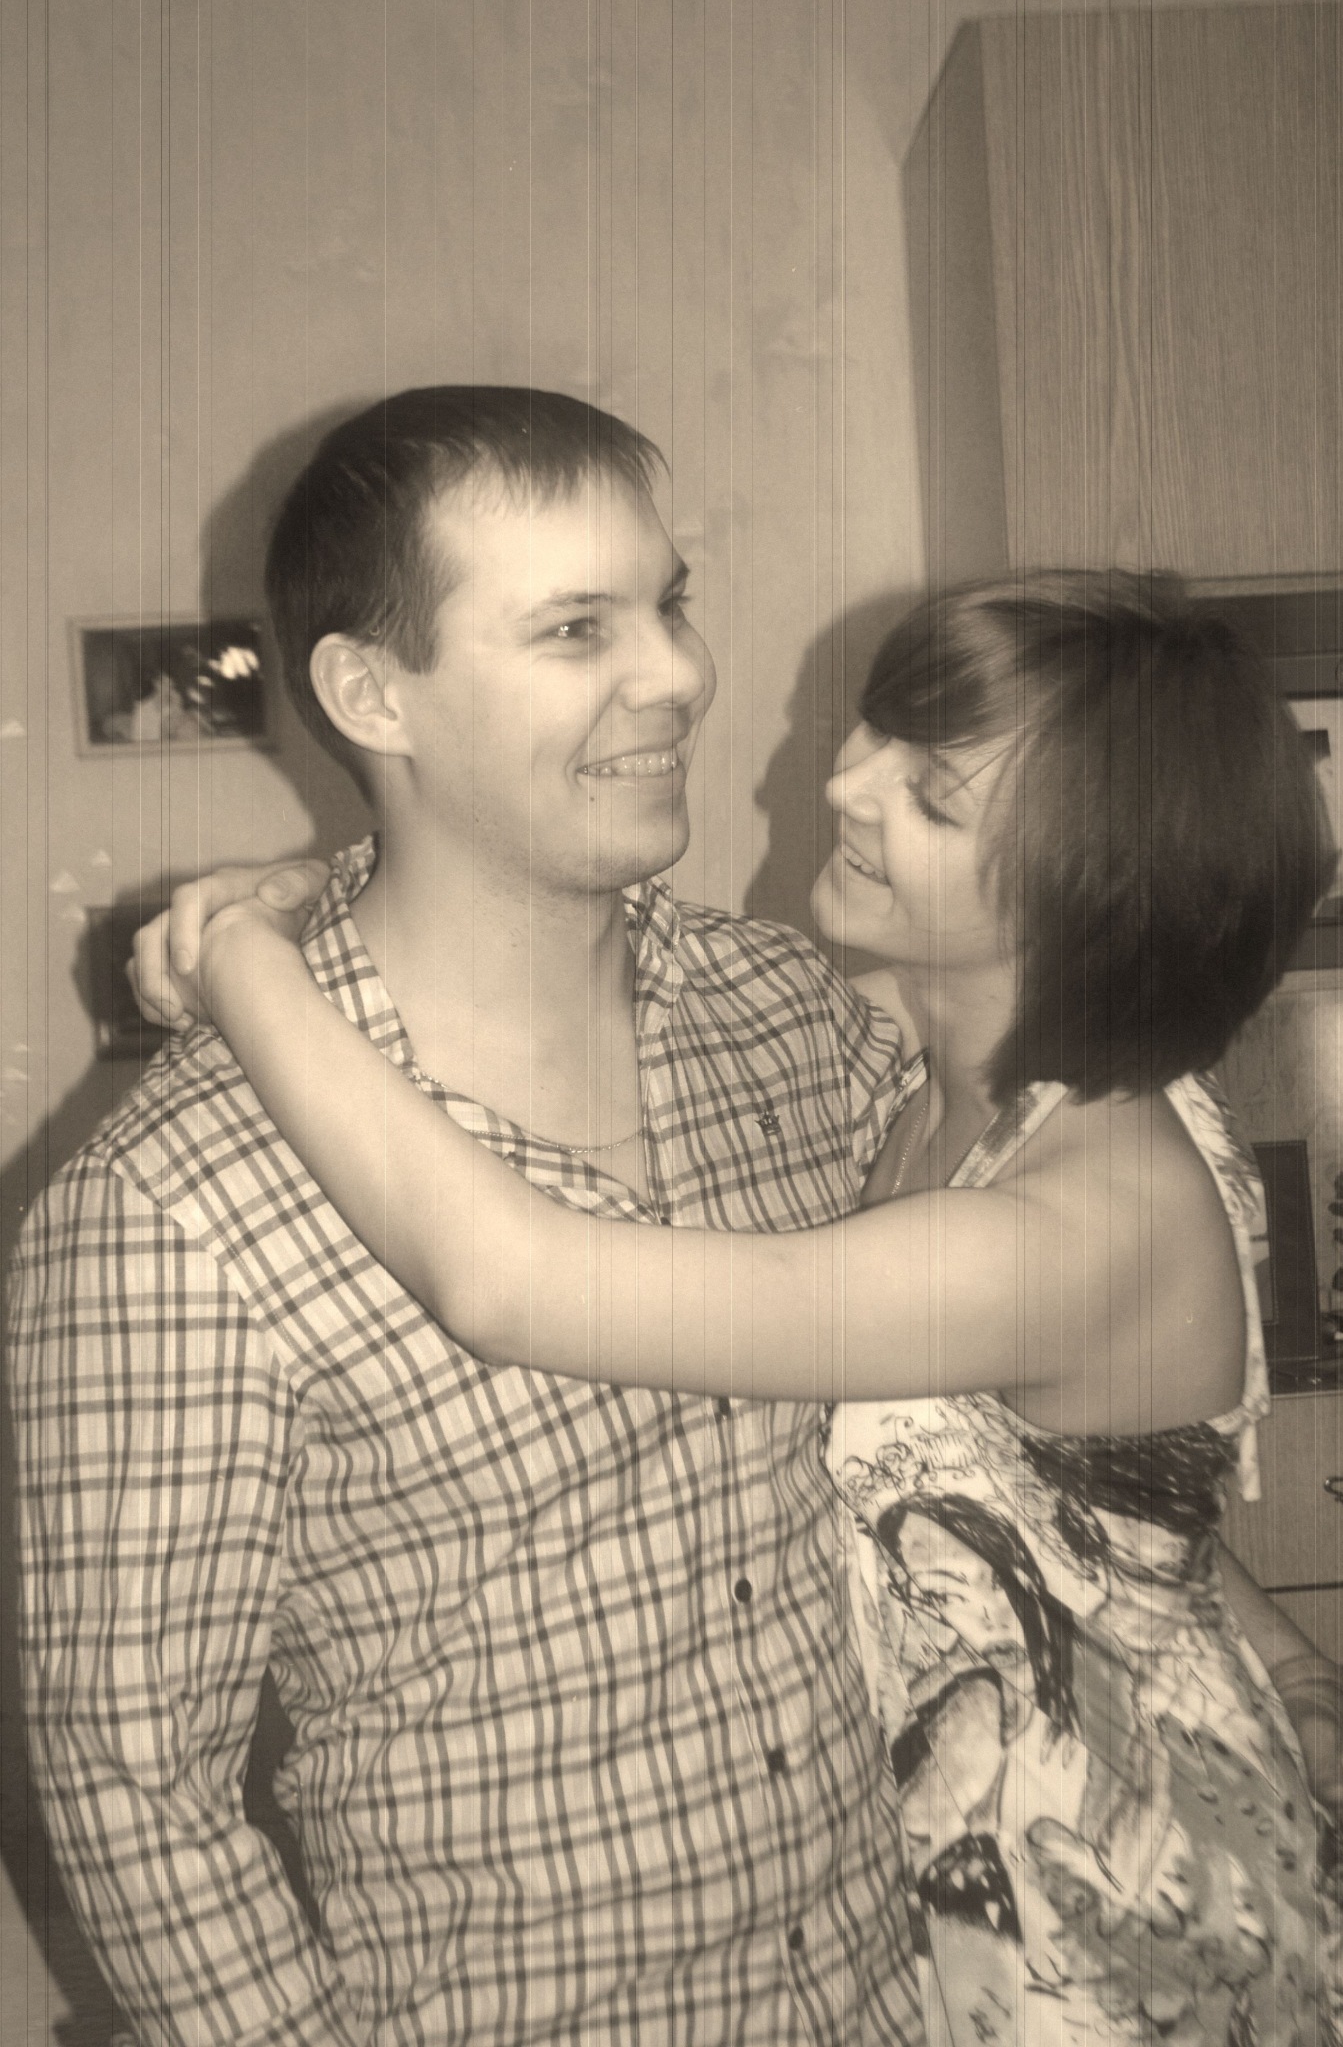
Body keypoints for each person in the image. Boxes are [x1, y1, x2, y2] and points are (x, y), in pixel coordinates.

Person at [136, 575, 1343, 2043]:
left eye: (931, 796)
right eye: (883, 730)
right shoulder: (950, 1064)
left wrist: (244, 967)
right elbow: (1105, 1513)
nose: (845, 781)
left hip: (1113, 1893)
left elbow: (510, 1281)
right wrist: (308, 890)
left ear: (1080, 897)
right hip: (1008, 1833)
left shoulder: (1071, 1225)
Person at [7, 388, 930, 2046]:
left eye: (669, 603)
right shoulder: (171, 1208)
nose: (678, 672)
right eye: (578, 628)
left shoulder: (786, 1012)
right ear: (373, 694)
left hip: (894, 1995)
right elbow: (140, 1796)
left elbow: (1019, 1285)